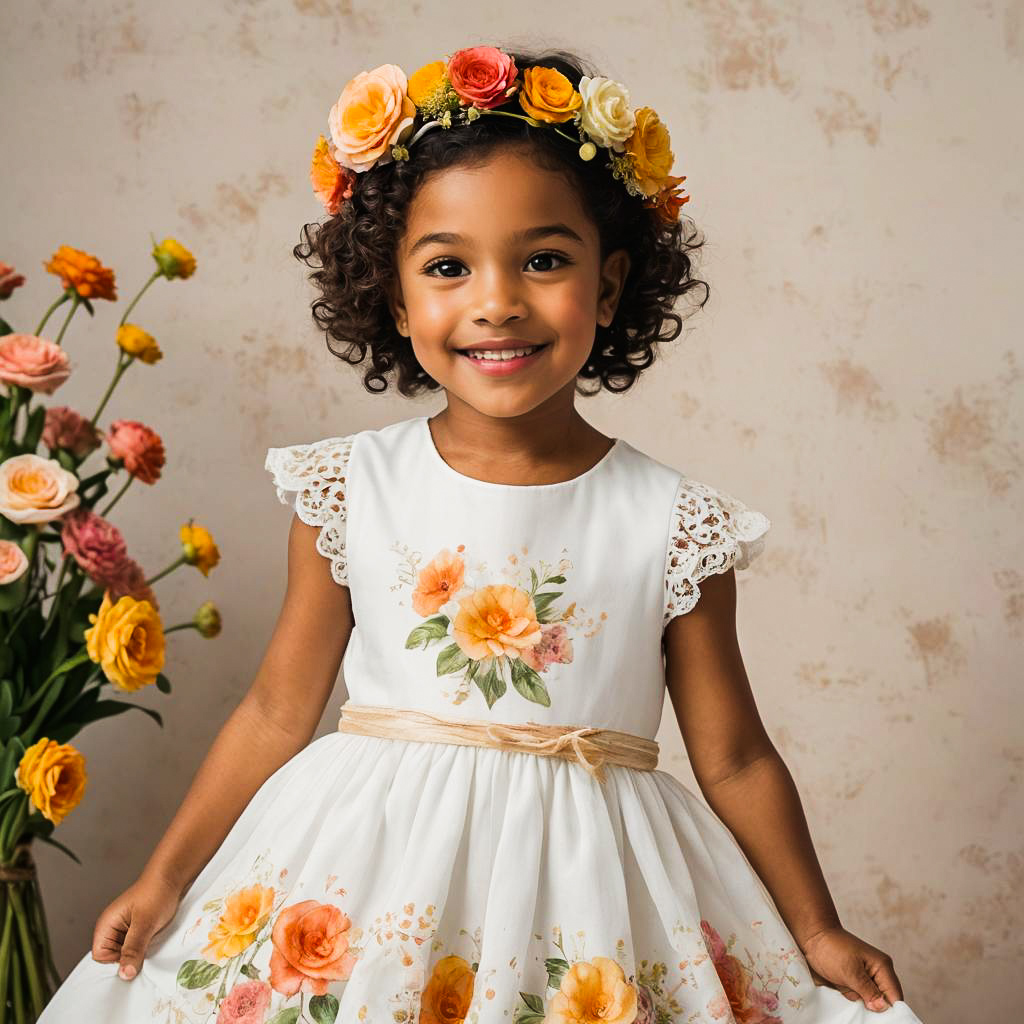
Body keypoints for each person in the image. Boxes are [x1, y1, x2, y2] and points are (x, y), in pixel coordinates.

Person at [37, 45, 927, 1024]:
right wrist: (166, 879)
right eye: (449, 266)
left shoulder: (673, 522)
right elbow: (274, 715)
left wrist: (815, 929)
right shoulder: (351, 488)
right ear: (394, 292)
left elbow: (735, 758)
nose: (496, 299)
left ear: (611, 280)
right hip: (373, 878)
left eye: (543, 260)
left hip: (594, 900)